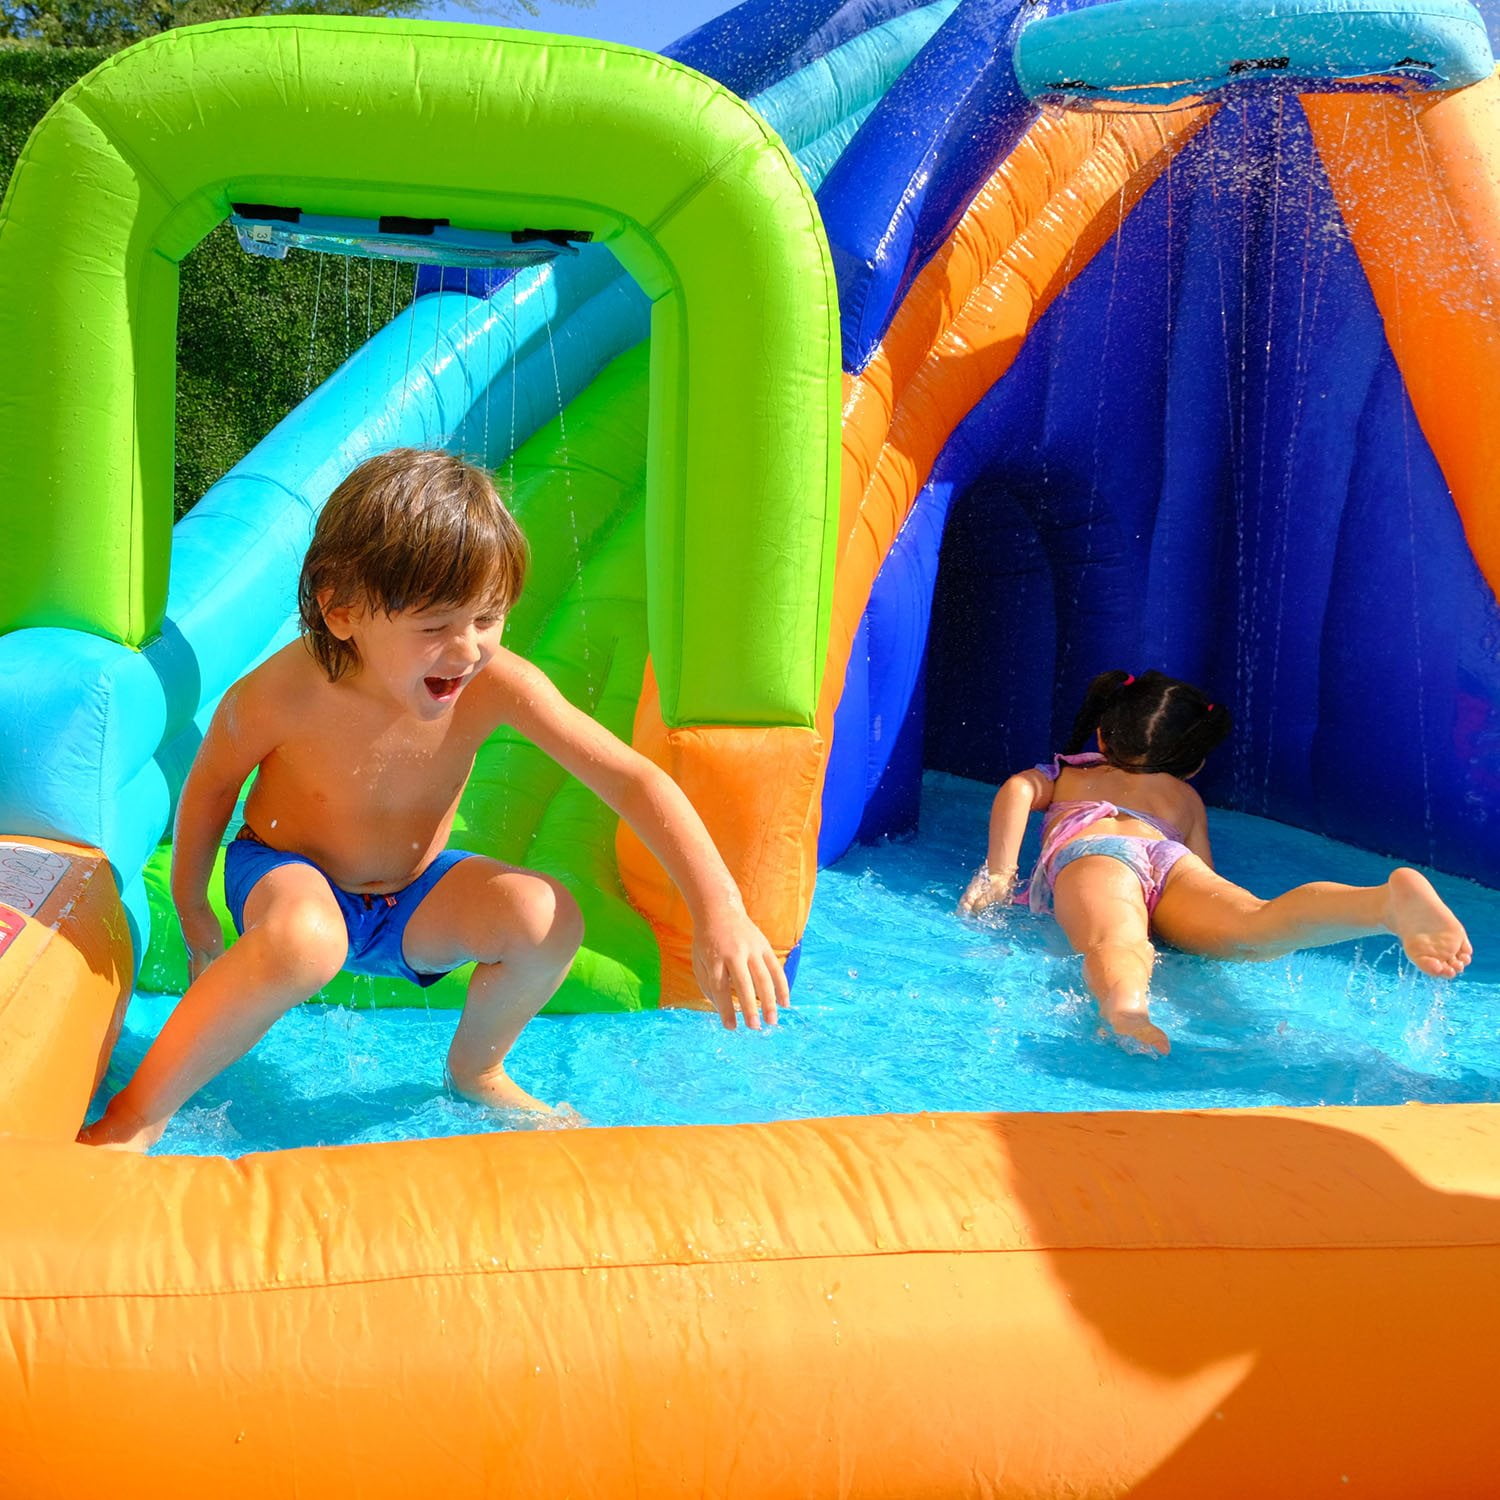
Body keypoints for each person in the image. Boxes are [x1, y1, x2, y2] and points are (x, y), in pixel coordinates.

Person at [82, 448, 788, 1151]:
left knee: (546, 919)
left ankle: (478, 1070)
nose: (467, 649)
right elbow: (211, 789)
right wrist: (195, 909)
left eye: (487, 618)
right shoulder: (281, 695)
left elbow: (633, 779)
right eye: (435, 627)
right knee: (307, 939)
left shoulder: (497, 685)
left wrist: (719, 911)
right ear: (341, 610)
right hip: (288, 878)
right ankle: (137, 1113)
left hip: (410, 899)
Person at [958, 669, 1472, 1055]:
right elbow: (1203, 873)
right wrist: (1189, 920)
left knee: (1117, 941)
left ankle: (1128, 1010)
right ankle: (1380, 904)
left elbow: (1018, 788)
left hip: (1097, 855)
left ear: (1102, 735)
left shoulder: (1071, 774)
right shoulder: (1184, 797)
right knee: (1253, 923)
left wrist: (999, 872)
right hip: (1172, 859)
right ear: (1194, 763)